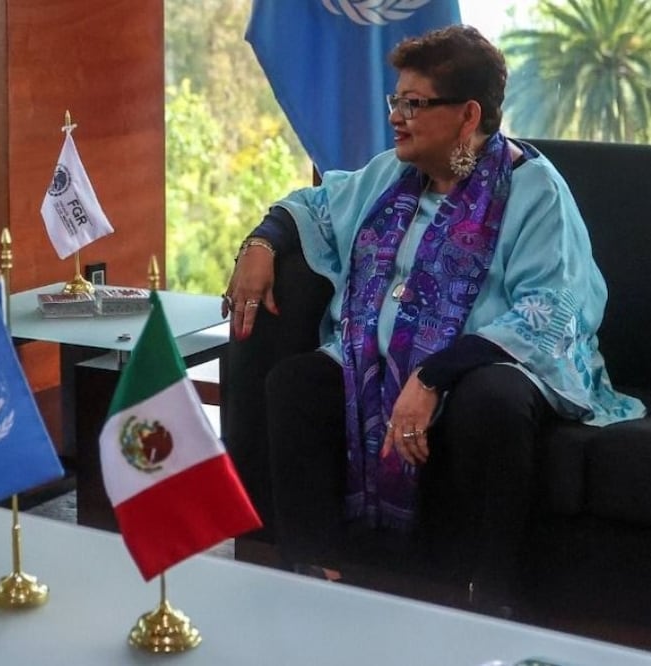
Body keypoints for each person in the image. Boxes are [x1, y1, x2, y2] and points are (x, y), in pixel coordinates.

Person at [222, 25, 644, 613]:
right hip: (375, 359)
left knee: (492, 401)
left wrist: (433, 375)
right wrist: (261, 244)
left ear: (468, 115)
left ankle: (489, 600)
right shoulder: (390, 175)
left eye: (415, 104)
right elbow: (313, 206)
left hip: (487, 365)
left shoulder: (534, 191)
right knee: (297, 384)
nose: (397, 117)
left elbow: (552, 309)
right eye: (396, 100)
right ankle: (314, 583)